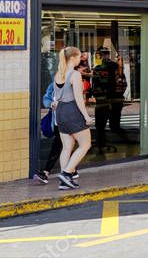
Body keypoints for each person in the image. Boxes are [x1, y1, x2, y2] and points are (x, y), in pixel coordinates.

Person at [51, 46, 94, 190]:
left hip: (61, 112)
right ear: (73, 58)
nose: (80, 59)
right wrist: (86, 116)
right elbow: (78, 99)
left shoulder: (59, 73)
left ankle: (64, 181)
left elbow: (56, 97)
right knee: (85, 144)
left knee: (67, 147)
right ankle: (67, 173)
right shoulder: (75, 74)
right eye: (79, 57)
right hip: (72, 111)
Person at [33, 80, 64, 184]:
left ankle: (46, 173)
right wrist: (51, 104)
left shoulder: (73, 82)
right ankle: (72, 171)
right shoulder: (53, 84)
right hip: (56, 122)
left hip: (68, 121)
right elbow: (46, 99)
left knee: (58, 146)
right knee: (63, 146)